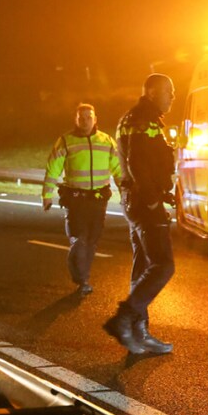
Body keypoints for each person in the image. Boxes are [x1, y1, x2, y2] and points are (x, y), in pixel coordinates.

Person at [103, 74, 177, 355]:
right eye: (169, 91)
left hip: (134, 200)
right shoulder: (143, 120)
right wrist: (151, 200)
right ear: (153, 92)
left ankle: (138, 331)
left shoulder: (136, 118)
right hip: (143, 202)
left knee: (144, 266)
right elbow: (137, 161)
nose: (173, 96)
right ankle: (124, 320)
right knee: (163, 265)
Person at [42, 103, 122, 296]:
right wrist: (47, 194)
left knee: (92, 241)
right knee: (80, 239)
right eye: (81, 118)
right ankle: (82, 278)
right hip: (76, 200)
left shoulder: (106, 141)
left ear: (95, 119)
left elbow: (118, 169)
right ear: (75, 120)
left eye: (89, 117)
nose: (85, 121)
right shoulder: (66, 141)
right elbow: (53, 168)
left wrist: (125, 191)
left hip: (98, 200)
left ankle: (83, 276)